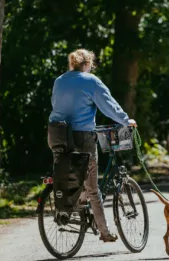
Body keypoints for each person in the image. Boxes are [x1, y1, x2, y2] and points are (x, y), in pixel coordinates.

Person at [48, 48, 137, 242]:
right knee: (92, 187)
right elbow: (108, 104)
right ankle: (105, 232)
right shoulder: (91, 81)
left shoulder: (59, 81)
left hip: (57, 134)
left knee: (66, 172)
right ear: (87, 64)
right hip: (82, 136)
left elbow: (56, 103)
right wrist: (125, 120)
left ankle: (69, 208)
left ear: (72, 64)